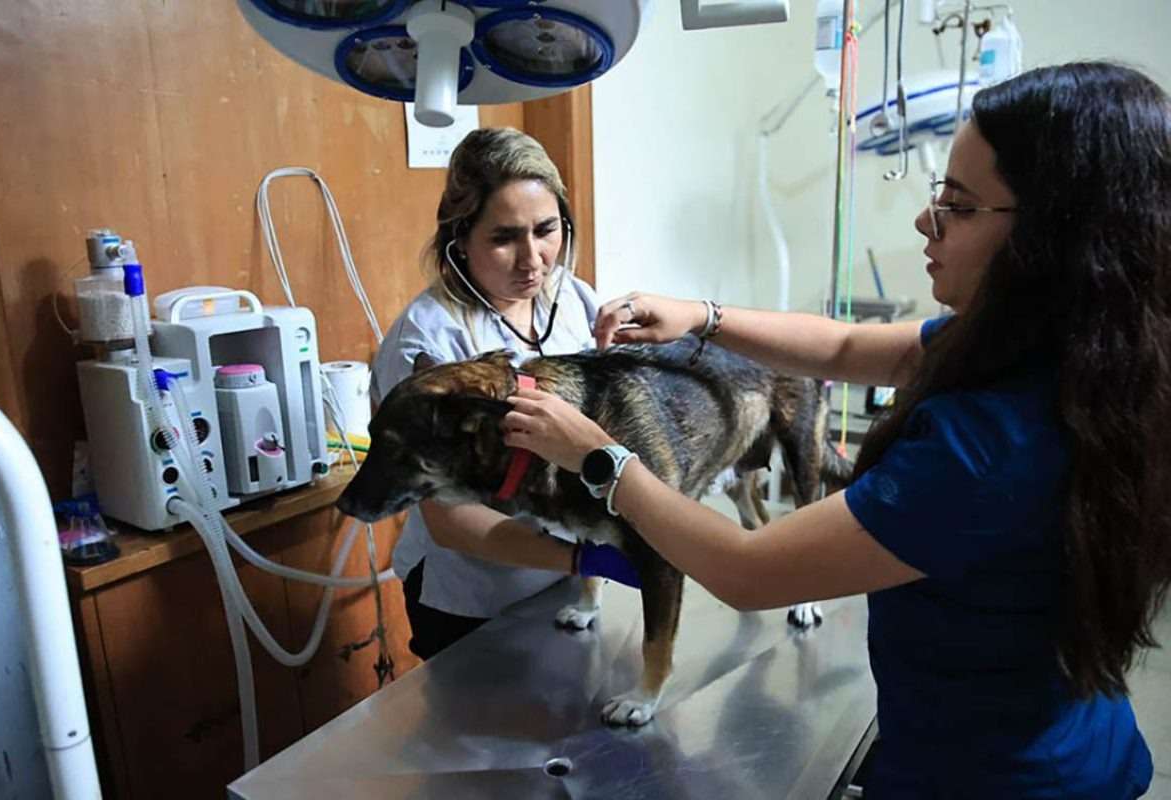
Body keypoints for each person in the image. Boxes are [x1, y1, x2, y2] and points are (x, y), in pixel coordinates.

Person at [502, 62, 1167, 797]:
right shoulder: (1080, 349)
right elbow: (847, 347)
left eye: (960, 204)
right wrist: (703, 317)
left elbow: (747, 572)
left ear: (1055, 237)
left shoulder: (987, 449)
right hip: (1074, 739)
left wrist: (597, 457)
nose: (926, 220)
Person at [371, 127, 634, 661]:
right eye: (504, 237)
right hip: (472, 596)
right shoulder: (429, 342)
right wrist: (586, 559)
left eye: (546, 230)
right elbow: (454, 522)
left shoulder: (572, 299)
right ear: (459, 239)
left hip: (567, 582)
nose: (532, 259)